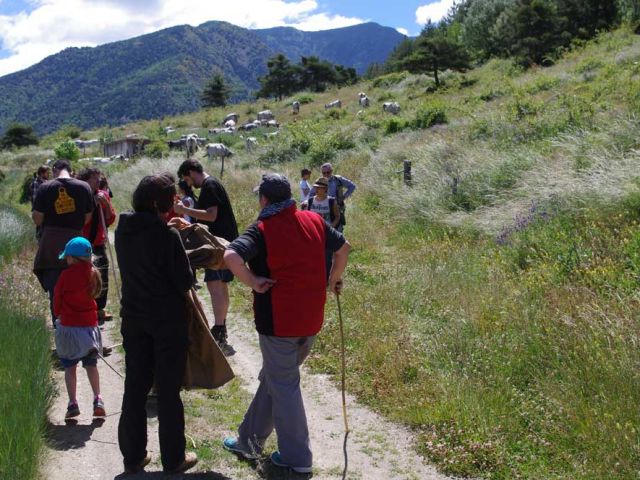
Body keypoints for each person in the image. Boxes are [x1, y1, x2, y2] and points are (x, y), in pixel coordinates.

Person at [221, 173, 350, 474]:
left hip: (279, 322)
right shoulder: (313, 221)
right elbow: (343, 249)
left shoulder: (262, 229)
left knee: (283, 384)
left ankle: (298, 460)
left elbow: (230, 254)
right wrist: (331, 281)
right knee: (276, 380)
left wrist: (253, 281)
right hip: (311, 320)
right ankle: (248, 440)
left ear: (264, 200)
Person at [115, 173, 198, 475]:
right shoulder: (168, 235)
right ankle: (174, 459)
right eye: (169, 201)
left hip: (134, 317)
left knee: (135, 386)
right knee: (167, 391)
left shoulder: (122, 229)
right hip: (167, 321)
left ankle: (133, 457)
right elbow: (184, 281)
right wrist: (179, 240)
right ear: (157, 203)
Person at [175, 159, 239, 356]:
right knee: (219, 285)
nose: (188, 182)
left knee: (215, 286)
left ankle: (220, 331)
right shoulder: (213, 184)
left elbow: (211, 216)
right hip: (224, 242)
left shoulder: (209, 186)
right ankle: (221, 328)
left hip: (217, 245)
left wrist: (183, 211)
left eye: (187, 177)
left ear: (192, 172)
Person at [32, 159, 94, 328]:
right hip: (77, 244)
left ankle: (62, 333)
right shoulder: (84, 187)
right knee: (82, 287)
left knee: (56, 290)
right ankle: (85, 333)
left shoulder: (45, 188)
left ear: (54, 170)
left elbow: (38, 219)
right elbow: (87, 218)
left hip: (51, 246)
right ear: (70, 170)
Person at [54, 236, 105, 419]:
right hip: (89, 328)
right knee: (91, 365)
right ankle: (98, 398)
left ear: (73, 258)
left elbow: (57, 300)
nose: (66, 260)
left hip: (69, 328)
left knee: (70, 367)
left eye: (67, 257)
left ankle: (73, 403)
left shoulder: (65, 276)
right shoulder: (93, 273)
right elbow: (95, 296)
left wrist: (58, 314)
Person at [76, 168, 116, 324]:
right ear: (86, 180)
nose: (98, 181)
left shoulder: (103, 194)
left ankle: (100, 309)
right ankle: (86, 308)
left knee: (102, 277)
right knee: (83, 277)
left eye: (98, 178)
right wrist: (92, 205)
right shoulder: (79, 195)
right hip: (82, 244)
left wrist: (105, 204)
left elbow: (110, 219)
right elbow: (82, 220)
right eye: (94, 178)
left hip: (98, 244)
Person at [308, 162, 356, 232]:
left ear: (332, 171)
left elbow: (352, 186)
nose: (326, 174)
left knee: (338, 229)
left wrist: (344, 197)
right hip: (324, 209)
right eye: (324, 173)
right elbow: (311, 194)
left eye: (328, 172)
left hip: (338, 208)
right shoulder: (319, 181)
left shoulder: (338, 179)